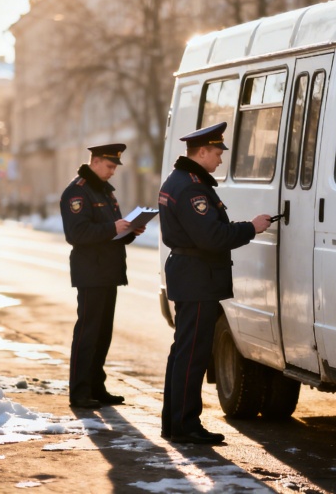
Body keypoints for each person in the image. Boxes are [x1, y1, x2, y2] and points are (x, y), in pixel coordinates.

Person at [158, 122, 272, 444]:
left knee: (183, 352)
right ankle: (185, 425)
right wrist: (251, 228)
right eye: (218, 153)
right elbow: (212, 237)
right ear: (203, 151)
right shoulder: (192, 188)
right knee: (192, 354)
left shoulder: (178, 180)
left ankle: (174, 422)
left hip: (191, 274)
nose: (221, 160)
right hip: (197, 278)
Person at [60, 143, 146, 409]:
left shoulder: (105, 192)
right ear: (95, 162)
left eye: (114, 167)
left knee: (103, 333)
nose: (112, 172)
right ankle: (80, 392)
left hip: (108, 271)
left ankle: (97, 386)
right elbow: (77, 234)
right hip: (91, 272)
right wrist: (113, 227)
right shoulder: (78, 192)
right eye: (109, 166)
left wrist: (130, 230)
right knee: (88, 332)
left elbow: (111, 232)